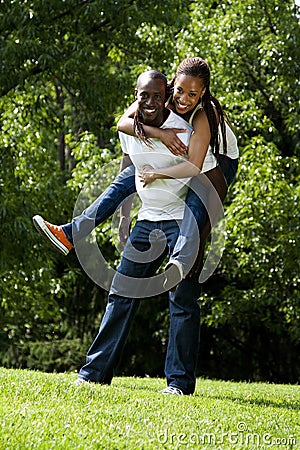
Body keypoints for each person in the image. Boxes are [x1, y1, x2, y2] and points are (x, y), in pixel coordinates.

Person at [33, 57, 239, 290]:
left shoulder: (203, 115)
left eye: (192, 94)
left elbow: (201, 174)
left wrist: (201, 239)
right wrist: (160, 135)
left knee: (193, 203)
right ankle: (69, 234)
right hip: (187, 155)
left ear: (202, 93)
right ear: (173, 83)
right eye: (180, 91)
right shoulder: (161, 95)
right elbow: (123, 123)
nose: (183, 99)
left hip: (219, 165)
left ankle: (183, 259)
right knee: (127, 178)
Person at [74, 69, 208, 395]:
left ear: (166, 97)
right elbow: (127, 168)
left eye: (157, 96)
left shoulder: (184, 129)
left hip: (179, 219)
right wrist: (124, 218)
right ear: (135, 95)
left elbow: (193, 171)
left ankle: (178, 383)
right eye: (143, 96)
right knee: (121, 292)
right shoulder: (131, 129)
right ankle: (93, 374)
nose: (149, 102)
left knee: (182, 297)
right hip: (146, 221)